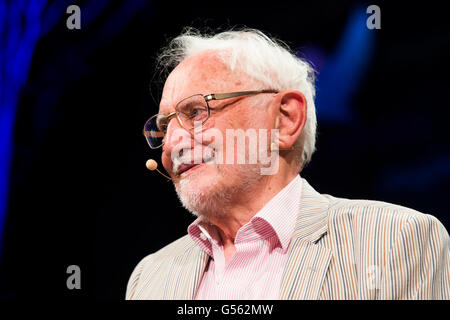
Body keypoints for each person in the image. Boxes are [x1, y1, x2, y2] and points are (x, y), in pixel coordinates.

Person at [126, 28, 450, 300]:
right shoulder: (149, 277)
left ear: (285, 120)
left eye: (196, 112)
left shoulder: (396, 240)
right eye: (165, 127)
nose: (171, 145)